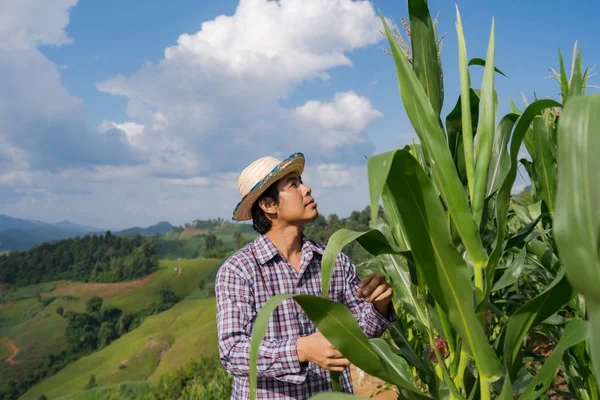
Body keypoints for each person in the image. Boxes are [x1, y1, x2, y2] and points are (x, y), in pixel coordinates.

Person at [216, 152, 396, 399]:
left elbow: (360, 333)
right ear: (268, 206)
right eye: (293, 184)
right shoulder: (238, 271)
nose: (307, 188)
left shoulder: (333, 260)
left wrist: (380, 305)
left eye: (301, 181)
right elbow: (232, 352)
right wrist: (301, 350)